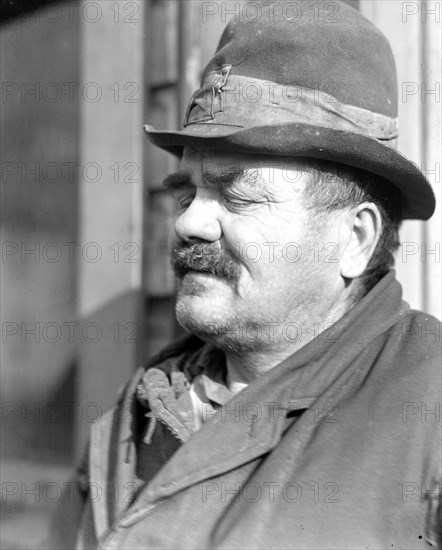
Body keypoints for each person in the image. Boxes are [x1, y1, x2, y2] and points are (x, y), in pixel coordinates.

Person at [56, 2, 440, 549]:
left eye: (237, 193)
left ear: (353, 239)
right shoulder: (136, 411)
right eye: (186, 192)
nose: (189, 221)